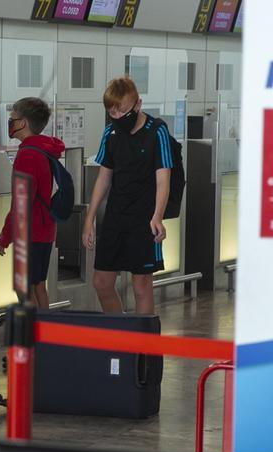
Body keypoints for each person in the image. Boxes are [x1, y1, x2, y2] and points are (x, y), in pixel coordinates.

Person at [83, 76, 172, 315]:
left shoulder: (157, 131)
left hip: (144, 217)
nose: (118, 117)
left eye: (123, 111)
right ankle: (121, 338)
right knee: (101, 282)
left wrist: (157, 216)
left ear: (138, 104)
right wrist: (89, 219)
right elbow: (104, 177)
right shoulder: (110, 133)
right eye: (112, 112)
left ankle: (143, 347)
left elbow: (163, 179)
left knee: (141, 284)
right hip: (115, 215)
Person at [0, 97, 65, 308]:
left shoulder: (27, 155)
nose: (10, 123)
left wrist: (5, 237)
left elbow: (20, 205)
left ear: (23, 123)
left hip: (30, 233)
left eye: (12, 119)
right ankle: (46, 336)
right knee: (38, 286)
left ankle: (34, 336)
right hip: (45, 230)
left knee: (23, 287)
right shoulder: (45, 149)